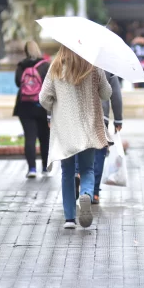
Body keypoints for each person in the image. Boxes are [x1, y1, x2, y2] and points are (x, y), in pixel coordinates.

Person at [39, 46, 112, 229]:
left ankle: (70, 219)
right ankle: (86, 193)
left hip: (65, 129)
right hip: (88, 126)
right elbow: (106, 94)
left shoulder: (56, 67)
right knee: (87, 168)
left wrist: (54, 104)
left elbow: (43, 98)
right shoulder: (93, 67)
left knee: (67, 172)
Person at [75, 70, 123, 204]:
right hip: (101, 117)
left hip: (79, 115)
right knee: (98, 153)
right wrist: (118, 119)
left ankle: (77, 173)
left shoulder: (77, 59)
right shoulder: (106, 65)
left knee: (80, 146)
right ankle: (94, 192)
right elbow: (115, 93)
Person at [14, 41, 50, 178]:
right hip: (42, 106)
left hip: (24, 106)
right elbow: (50, 85)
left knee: (30, 137)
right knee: (44, 137)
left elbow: (18, 83)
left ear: (25, 51)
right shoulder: (45, 65)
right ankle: (45, 167)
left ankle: (32, 169)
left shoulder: (21, 66)